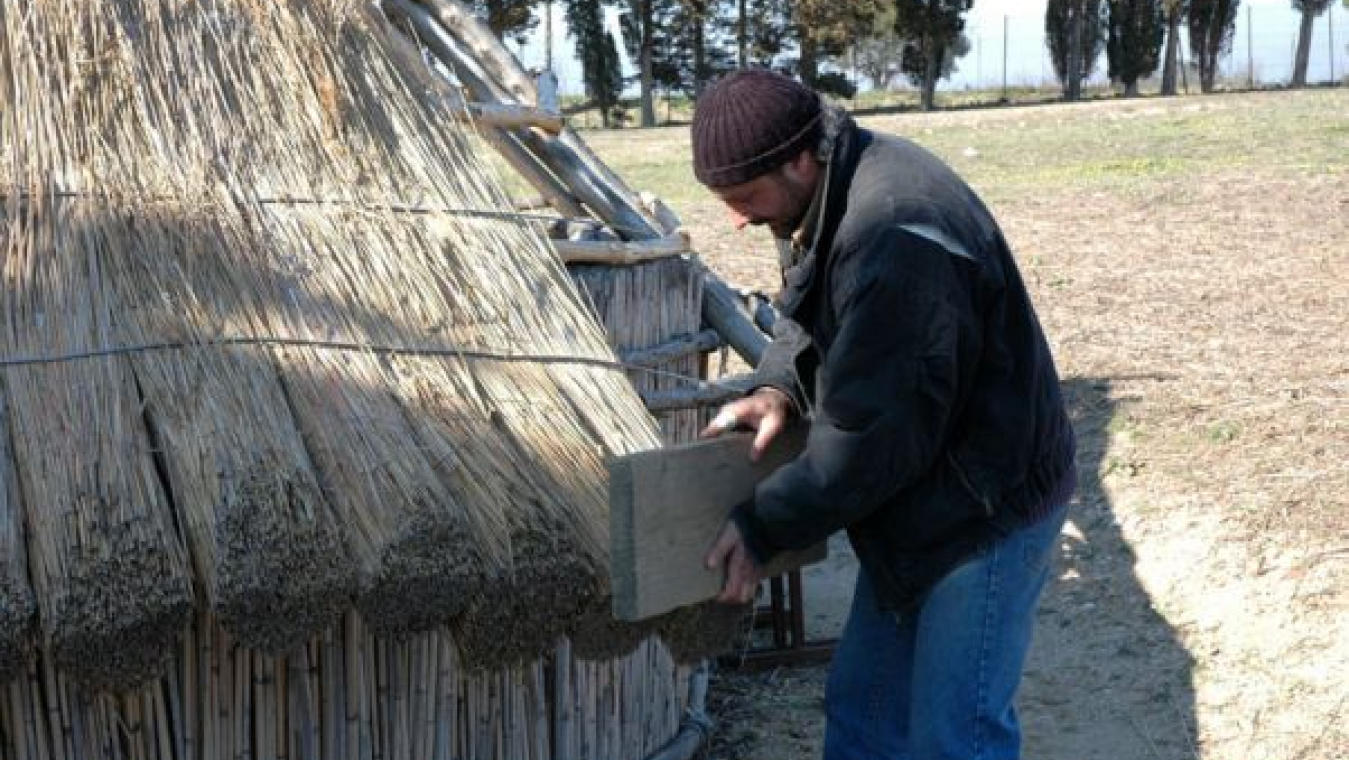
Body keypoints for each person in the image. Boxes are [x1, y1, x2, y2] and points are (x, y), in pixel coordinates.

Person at [694, 69, 1077, 760]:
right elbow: (806, 306)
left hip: (983, 503)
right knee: (863, 716)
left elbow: (869, 437)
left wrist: (761, 525)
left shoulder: (896, 232)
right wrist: (779, 385)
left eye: (744, 198)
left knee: (954, 737)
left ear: (796, 159)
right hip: (923, 493)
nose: (737, 219)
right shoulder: (819, 197)